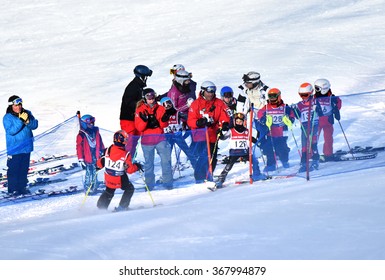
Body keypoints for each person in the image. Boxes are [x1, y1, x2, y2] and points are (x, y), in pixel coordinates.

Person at [187, 81, 230, 183]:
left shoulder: (218, 103)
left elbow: (224, 115)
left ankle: (208, 176)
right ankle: (199, 177)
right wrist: (198, 122)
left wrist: (224, 124)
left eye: (213, 91)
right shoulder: (196, 104)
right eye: (209, 91)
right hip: (199, 135)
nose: (211, 94)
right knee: (202, 157)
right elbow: (190, 120)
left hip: (212, 135)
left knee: (212, 157)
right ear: (203, 90)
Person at [214, 112, 266, 188]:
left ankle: (257, 174)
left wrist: (258, 142)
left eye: (240, 122)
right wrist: (219, 134)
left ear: (243, 122)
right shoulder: (231, 131)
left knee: (254, 161)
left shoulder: (246, 131)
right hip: (234, 152)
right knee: (228, 166)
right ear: (235, 122)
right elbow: (223, 138)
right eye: (237, 122)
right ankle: (220, 180)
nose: (239, 123)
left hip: (244, 151)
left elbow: (250, 138)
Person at [135, 88, 173, 190]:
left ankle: (168, 182)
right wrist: (144, 121)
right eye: (149, 97)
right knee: (149, 164)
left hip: (160, 138)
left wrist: (165, 119)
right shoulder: (140, 110)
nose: (151, 99)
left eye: (153, 96)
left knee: (166, 160)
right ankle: (149, 184)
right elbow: (139, 128)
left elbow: (163, 125)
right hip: (147, 141)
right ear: (144, 98)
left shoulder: (160, 108)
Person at [96, 130, 143, 212]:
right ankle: (122, 207)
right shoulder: (125, 154)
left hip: (108, 177)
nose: (126, 141)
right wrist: (137, 166)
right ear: (121, 141)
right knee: (129, 188)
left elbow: (100, 163)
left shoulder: (108, 150)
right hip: (119, 178)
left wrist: (98, 166)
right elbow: (130, 170)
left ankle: (101, 207)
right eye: (125, 140)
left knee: (109, 190)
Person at [3, 95, 38, 195]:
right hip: (15, 149)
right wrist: (21, 120)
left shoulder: (27, 113)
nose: (18, 107)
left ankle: (22, 187)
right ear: (11, 106)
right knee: (14, 170)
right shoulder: (7, 117)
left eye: (19, 105)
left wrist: (28, 121)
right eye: (15, 105)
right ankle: (13, 189)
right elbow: (11, 131)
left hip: (26, 148)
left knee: (23, 169)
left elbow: (35, 125)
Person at [256, 88, 295, 172]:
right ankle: (271, 164)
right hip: (271, 132)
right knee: (270, 149)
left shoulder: (285, 107)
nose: (272, 99)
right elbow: (259, 113)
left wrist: (290, 119)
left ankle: (284, 161)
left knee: (282, 148)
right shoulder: (266, 107)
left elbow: (292, 115)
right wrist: (262, 118)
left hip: (282, 132)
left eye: (274, 96)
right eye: (270, 97)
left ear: (279, 96)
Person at [119, 65, 153, 157]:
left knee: (134, 142)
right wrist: (141, 103)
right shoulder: (132, 87)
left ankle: (130, 162)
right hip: (128, 119)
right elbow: (128, 102)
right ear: (142, 76)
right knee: (128, 142)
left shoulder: (138, 87)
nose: (146, 79)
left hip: (135, 119)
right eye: (146, 77)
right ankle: (124, 162)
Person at [292, 83, 323, 172]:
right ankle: (304, 163)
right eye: (301, 95)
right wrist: (294, 110)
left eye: (305, 95)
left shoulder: (315, 102)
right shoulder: (300, 104)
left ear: (311, 93)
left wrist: (317, 109)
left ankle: (315, 160)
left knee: (313, 144)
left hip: (314, 125)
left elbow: (321, 113)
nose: (303, 97)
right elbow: (297, 116)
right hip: (304, 126)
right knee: (304, 146)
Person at [160, 97, 197, 169]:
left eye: (169, 103)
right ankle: (166, 174)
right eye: (165, 105)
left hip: (177, 135)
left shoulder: (177, 113)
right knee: (166, 155)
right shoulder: (162, 115)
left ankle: (197, 169)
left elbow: (188, 118)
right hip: (167, 136)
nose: (167, 106)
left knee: (188, 152)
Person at [314, 78, 342, 162]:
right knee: (313, 139)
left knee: (328, 138)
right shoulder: (314, 98)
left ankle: (328, 154)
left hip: (328, 121)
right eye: (316, 88)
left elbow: (338, 103)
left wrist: (336, 108)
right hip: (317, 122)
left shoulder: (331, 97)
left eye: (318, 88)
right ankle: (311, 155)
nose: (316, 90)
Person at [76, 114, 105, 194]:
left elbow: (100, 142)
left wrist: (103, 150)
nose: (92, 125)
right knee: (89, 171)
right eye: (89, 124)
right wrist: (80, 159)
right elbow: (79, 147)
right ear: (84, 124)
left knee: (95, 170)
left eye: (93, 123)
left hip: (95, 154)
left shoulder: (96, 132)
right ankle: (88, 187)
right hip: (87, 156)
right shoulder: (81, 134)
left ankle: (94, 186)